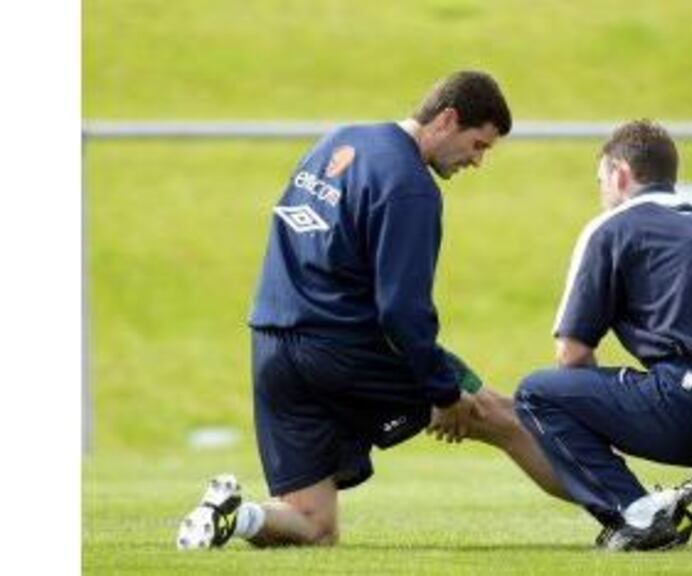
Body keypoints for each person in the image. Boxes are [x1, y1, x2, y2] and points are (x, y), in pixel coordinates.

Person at [176, 70, 565, 550]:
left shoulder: (338, 140)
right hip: (341, 347)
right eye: (478, 144)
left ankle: (234, 516)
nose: (477, 161)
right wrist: (443, 394)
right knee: (497, 414)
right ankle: (630, 513)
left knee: (314, 527)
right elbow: (402, 310)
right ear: (447, 119)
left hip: (272, 349)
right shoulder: (410, 186)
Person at [514, 120, 692, 551]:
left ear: (619, 174)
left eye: (601, 181)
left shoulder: (611, 227)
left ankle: (639, 516)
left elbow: (572, 354)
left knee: (536, 393)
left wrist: (603, 409)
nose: (602, 192)